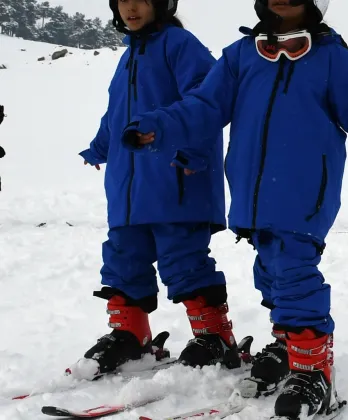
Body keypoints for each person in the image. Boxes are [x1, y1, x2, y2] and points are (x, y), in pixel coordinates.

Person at [120, 0, 348, 417]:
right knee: (269, 269)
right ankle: (290, 342)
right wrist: (160, 124)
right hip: (252, 189)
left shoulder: (332, 58)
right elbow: (206, 106)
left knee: (292, 269)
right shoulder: (241, 55)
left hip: (304, 186)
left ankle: (314, 369)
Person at [75, 0, 239, 379]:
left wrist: (190, 153)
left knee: (183, 259)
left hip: (174, 175)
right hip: (127, 185)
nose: (130, 8)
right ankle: (130, 334)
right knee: (123, 257)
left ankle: (214, 336)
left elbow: (206, 103)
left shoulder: (180, 45)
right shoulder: (128, 57)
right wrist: (101, 146)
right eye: (122, 0)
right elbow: (116, 113)